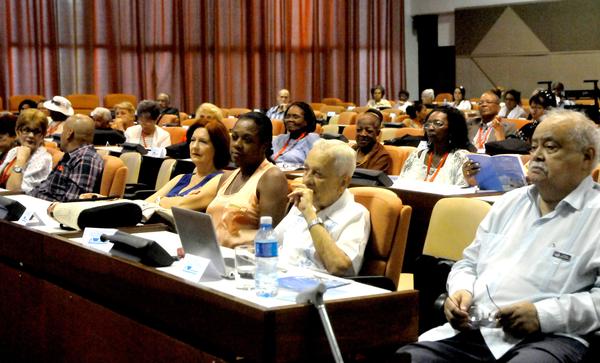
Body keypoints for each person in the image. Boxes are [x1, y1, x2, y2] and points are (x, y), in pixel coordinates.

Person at [397, 109, 600, 362]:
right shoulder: (509, 203)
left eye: (550, 147)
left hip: (553, 337)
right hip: (478, 327)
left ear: (586, 157)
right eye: (533, 146)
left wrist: (544, 315)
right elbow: (469, 263)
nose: (536, 156)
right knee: (408, 357)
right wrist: (461, 291)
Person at [275, 139, 370, 276]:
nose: (306, 180)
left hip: (316, 291)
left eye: (317, 174)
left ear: (343, 182)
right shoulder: (302, 204)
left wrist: (310, 215)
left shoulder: (355, 214)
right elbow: (271, 242)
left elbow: (341, 268)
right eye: (306, 169)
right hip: (278, 278)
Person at [206, 112, 289, 248]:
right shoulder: (226, 177)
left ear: (264, 145)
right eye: (234, 137)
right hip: (213, 254)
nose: (237, 144)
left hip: (244, 261)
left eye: (247, 140)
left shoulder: (271, 177)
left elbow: (270, 236)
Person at [146, 120, 230, 210]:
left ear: (218, 147)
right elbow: (145, 203)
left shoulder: (220, 180)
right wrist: (170, 201)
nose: (195, 146)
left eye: (203, 142)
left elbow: (182, 205)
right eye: (192, 140)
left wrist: (159, 200)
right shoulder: (181, 178)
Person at [30, 114, 104, 202]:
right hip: (38, 202)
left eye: (63, 131)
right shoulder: (71, 155)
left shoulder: (85, 159)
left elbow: (71, 203)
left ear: (69, 133)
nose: (61, 136)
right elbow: (46, 187)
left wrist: (34, 199)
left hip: (48, 210)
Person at [399, 106, 471, 186]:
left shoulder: (461, 157)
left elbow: (461, 192)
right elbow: (401, 184)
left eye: (438, 124)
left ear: (453, 129)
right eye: (427, 124)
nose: (430, 128)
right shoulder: (416, 155)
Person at [0, 109, 52, 192]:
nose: (31, 135)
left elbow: (14, 191)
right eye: (26, 130)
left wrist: (21, 161)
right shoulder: (13, 151)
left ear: (43, 135)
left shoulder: (43, 159)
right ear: (18, 132)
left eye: (36, 131)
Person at [272, 101, 320, 165]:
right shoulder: (279, 139)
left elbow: (316, 166)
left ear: (307, 121)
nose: (290, 120)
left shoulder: (312, 140)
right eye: (288, 116)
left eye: (295, 117)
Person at [353, 109, 391, 174]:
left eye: (369, 131)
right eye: (359, 130)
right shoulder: (352, 149)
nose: (363, 134)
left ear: (377, 133)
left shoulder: (382, 156)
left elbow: (368, 180)